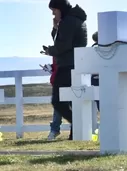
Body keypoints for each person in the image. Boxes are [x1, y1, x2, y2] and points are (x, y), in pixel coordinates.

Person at [44, 0, 87, 140]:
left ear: (60, 8)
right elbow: (63, 41)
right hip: (74, 64)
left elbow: (63, 45)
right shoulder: (74, 19)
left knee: (58, 101)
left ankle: (78, 125)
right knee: (69, 101)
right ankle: (76, 131)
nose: (53, 13)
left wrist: (50, 51)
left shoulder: (68, 21)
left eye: (54, 10)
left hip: (67, 65)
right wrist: (56, 28)